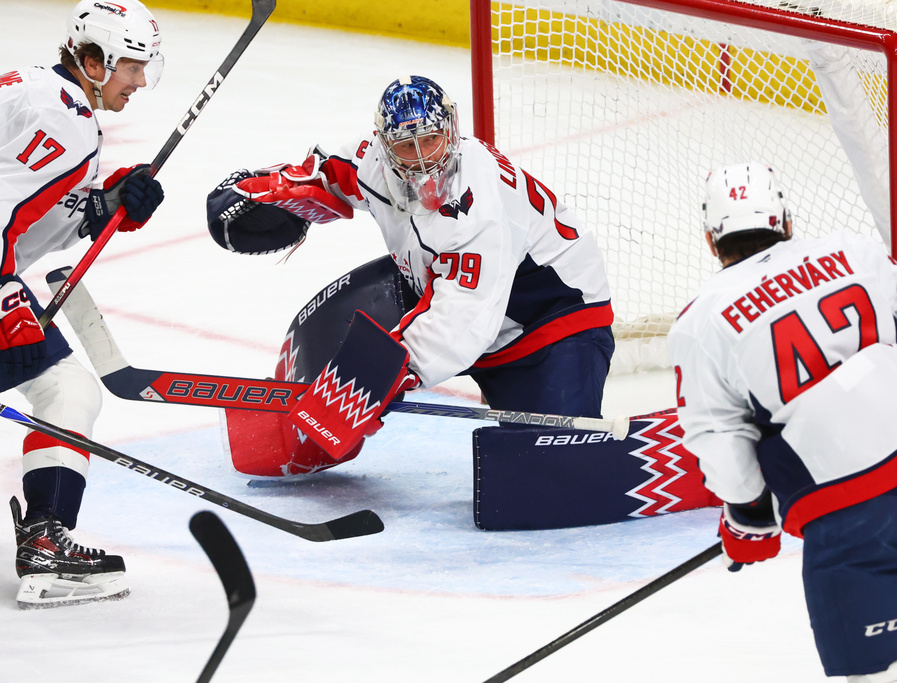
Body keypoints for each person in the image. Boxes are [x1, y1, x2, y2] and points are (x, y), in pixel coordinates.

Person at [668, 162, 897, 682]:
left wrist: (750, 517)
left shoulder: (702, 321)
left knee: (881, 667)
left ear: (710, 240)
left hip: (860, 516)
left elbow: (721, 441)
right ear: (786, 222)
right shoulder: (849, 251)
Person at [208, 75, 614, 468]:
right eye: (406, 145)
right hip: (438, 284)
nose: (421, 158)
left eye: (430, 140)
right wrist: (273, 192)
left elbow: (464, 320)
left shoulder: (477, 207)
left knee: (552, 471)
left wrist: (380, 376)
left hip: (551, 322)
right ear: (385, 145)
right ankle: (289, 439)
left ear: (450, 132)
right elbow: (326, 176)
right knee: (335, 343)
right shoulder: (373, 160)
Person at [1, 0, 165, 607]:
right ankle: (46, 540)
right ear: (93, 62)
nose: (139, 81)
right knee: (65, 391)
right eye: (131, 67)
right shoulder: (63, 120)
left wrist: (105, 204)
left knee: (66, 388)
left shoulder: (48, 96)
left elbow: (29, 210)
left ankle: (46, 537)